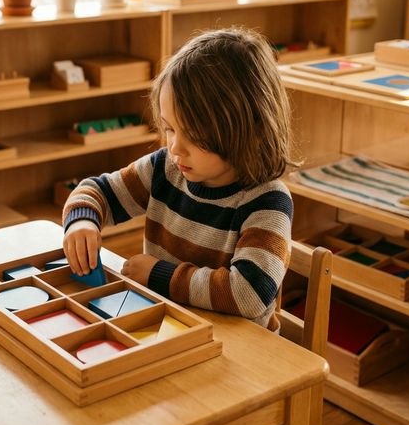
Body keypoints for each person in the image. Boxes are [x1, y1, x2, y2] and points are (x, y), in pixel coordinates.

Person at [62, 27, 294, 329]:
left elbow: (248, 295)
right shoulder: (165, 169)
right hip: (170, 326)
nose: (174, 147)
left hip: (239, 352)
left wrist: (160, 275)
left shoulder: (268, 203)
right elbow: (96, 190)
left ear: (247, 131)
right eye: (170, 128)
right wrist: (82, 220)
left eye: (194, 136)